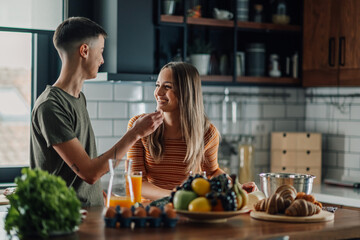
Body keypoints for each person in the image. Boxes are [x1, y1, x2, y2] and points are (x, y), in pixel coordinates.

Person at [30, 17, 164, 207]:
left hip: (89, 215)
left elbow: (79, 176)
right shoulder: (50, 106)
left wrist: (101, 198)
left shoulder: (78, 98)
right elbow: (90, 173)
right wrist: (136, 133)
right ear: (84, 50)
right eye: (101, 51)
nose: (102, 60)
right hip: (67, 219)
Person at [127, 62, 257, 200]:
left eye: (167, 87)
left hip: (189, 209)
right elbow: (136, 183)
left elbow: (212, 172)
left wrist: (235, 187)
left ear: (186, 92)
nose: (158, 93)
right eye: (157, 85)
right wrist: (175, 196)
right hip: (150, 212)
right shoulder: (139, 127)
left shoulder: (207, 133)